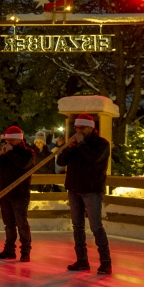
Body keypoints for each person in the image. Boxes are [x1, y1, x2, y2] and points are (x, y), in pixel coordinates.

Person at [56, 113, 112, 274]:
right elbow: (60, 162)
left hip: (91, 189)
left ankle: (105, 262)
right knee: (77, 226)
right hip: (74, 188)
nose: (78, 130)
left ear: (90, 128)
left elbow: (93, 159)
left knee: (96, 226)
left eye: (81, 127)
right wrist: (68, 147)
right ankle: (81, 260)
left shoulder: (101, 143)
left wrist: (81, 145)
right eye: (76, 127)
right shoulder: (75, 144)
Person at [0, 126, 37, 261]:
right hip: (4, 192)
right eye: (7, 140)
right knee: (8, 224)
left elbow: (23, 165)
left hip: (20, 193)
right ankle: (9, 249)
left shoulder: (28, 153)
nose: (8, 143)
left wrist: (10, 153)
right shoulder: (6, 152)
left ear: (18, 140)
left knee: (21, 223)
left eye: (11, 140)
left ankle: (25, 251)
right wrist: (2, 154)